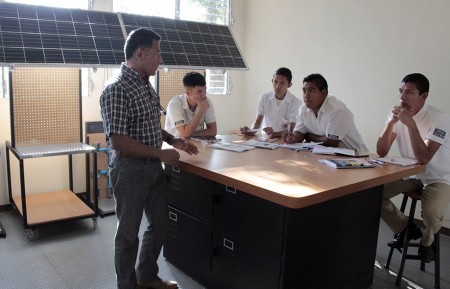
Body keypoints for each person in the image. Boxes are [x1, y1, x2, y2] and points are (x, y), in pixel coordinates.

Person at [99, 27, 198, 289]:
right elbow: (117, 140)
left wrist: (173, 140)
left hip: (153, 169)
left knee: (161, 224)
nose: (161, 59)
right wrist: (161, 153)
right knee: (128, 236)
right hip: (130, 171)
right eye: (157, 53)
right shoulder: (116, 88)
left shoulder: (144, 84)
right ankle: (127, 285)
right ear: (140, 53)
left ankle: (146, 276)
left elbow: (149, 124)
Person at [377, 73, 450, 263]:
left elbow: (424, 157)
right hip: (411, 174)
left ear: (423, 96)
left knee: (432, 213)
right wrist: (391, 124)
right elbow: (381, 151)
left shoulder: (439, 118)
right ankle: (406, 229)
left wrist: (410, 124)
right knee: (373, 193)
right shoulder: (397, 114)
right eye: (401, 92)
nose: (402, 97)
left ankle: (427, 242)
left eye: (409, 92)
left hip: (439, 177)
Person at [284, 73, 367, 151]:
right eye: (304, 90)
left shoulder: (336, 109)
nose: (306, 95)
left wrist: (307, 136)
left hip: (355, 157)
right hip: (326, 156)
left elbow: (331, 142)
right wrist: (292, 138)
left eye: (311, 91)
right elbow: (300, 133)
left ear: (324, 93)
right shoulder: (303, 109)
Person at [240, 67, 301, 138]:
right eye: (275, 82)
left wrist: (274, 134)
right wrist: (251, 131)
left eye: (282, 83)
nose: (278, 86)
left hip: (285, 141)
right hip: (266, 140)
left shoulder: (296, 102)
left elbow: (292, 130)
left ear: (289, 85)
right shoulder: (265, 97)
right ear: (272, 81)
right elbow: (258, 121)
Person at [165, 72, 217, 139]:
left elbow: (213, 131)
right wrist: (201, 110)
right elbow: (185, 135)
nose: (204, 95)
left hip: (197, 143)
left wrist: (192, 134)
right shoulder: (175, 103)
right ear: (188, 93)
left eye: (205, 90)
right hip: (175, 146)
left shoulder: (207, 101)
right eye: (199, 91)